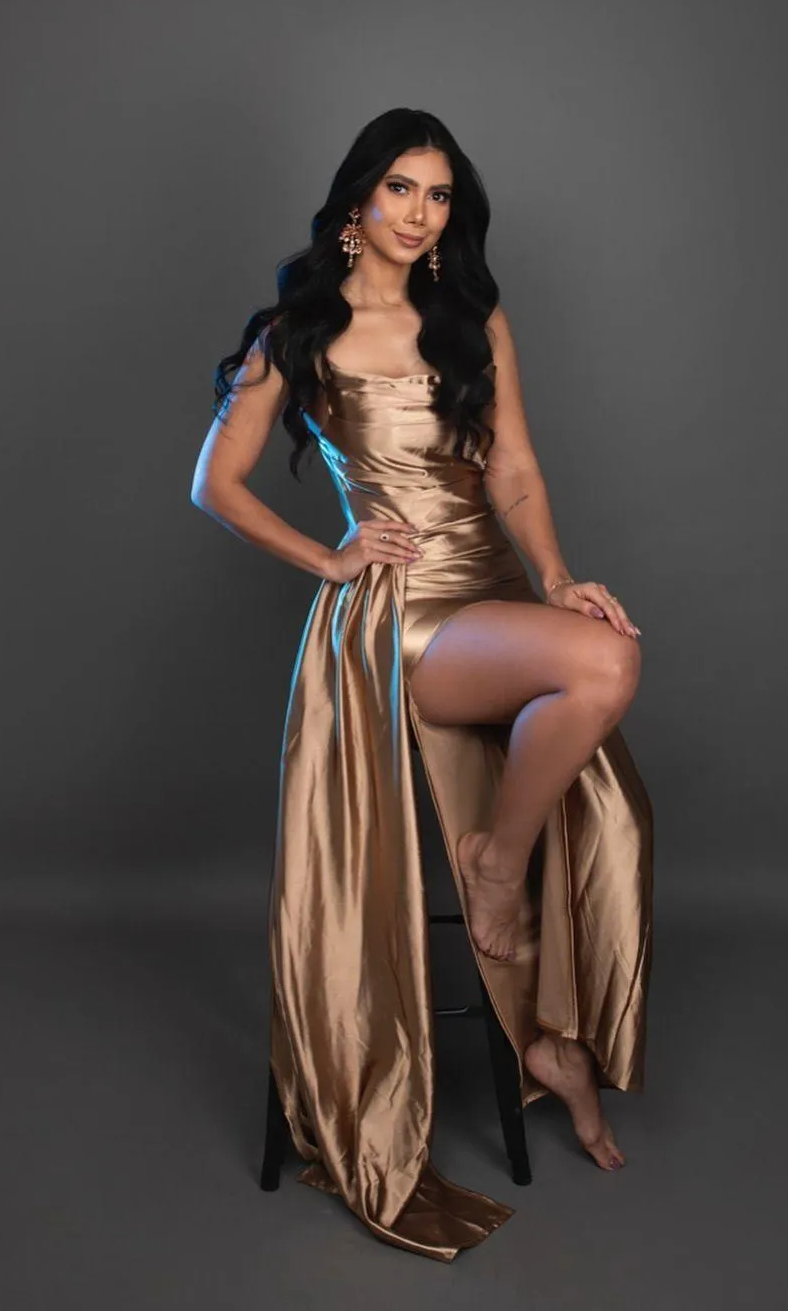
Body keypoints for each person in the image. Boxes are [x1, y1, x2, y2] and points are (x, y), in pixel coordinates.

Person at [190, 107, 653, 1262]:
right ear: (357, 200)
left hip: (492, 593)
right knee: (604, 664)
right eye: (400, 187)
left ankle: (549, 1040)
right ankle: (495, 869)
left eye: (438, 195)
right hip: (399, 622)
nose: (419, 212)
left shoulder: (470, 318)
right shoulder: (301, 330)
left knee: (604, 738)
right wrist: (329, 557)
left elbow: (515, 467)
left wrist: (558, 575)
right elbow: (215, 483)